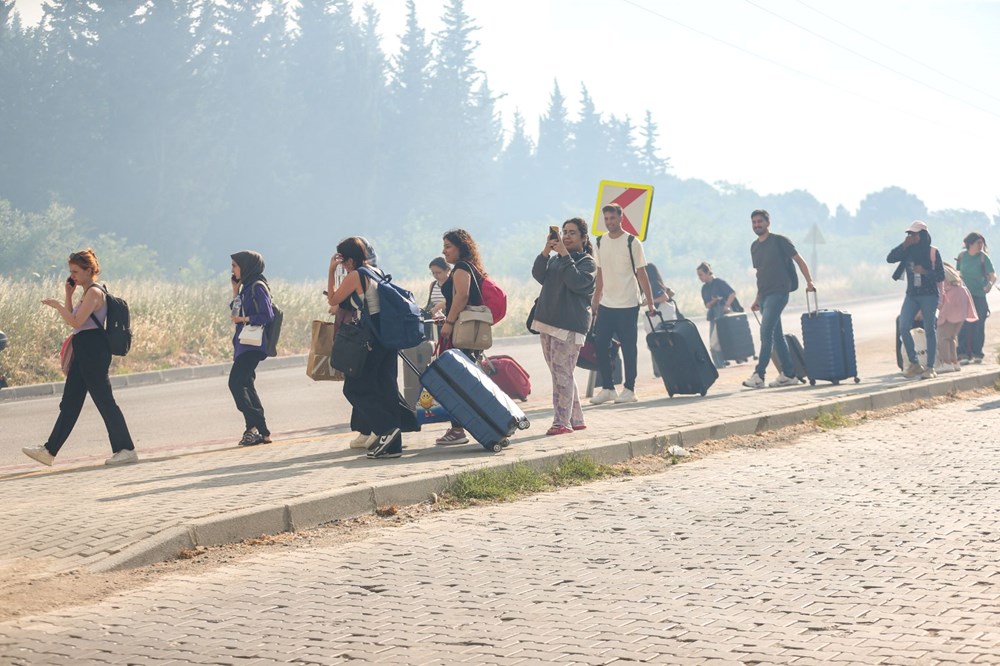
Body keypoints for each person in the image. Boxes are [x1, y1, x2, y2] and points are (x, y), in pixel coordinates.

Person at [22, 249, 138, 466]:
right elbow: (72, 320)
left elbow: (76, 322)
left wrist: (57, 305)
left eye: (76, 271)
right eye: (71, 271)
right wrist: (68, 295)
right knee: (70, 403)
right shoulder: (85, 292)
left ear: (88, 270)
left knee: (104, 401)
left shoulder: (94, 292)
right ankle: (49, 451)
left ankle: (126, 449)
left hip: (93, 349)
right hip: (84, 348)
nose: (72, 275)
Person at [326, 237, 418, 459]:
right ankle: (393, 445)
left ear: (348, 259)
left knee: (354, 388)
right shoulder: (375, 270)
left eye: (341, 259)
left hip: (372, 337)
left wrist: (331, 271)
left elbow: (333, 300)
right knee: (385, 387)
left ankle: (387, 429)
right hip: (387, 336)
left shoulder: (356, 274)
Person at [531, 218, 597, 435]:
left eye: (572, 233)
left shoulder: (587, 263)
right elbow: (539, 275)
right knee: (560, 373)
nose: (567, 237)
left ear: (583, 238)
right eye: (564, 232)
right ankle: (576, 418)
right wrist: (545, 251)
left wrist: (564, 255)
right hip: (547, 322)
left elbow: (576, 282)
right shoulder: (556, 260)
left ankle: (562, 422)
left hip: (568, 326)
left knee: (562, 374)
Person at [590, 203, 656, 405]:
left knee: (629, 347)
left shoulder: (632, 242)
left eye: (613, 218)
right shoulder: (600, 242)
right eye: (606, 219)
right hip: (607, 304)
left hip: (628, 303)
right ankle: (608, 388)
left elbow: (641, 273)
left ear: (621, 218)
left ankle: (629, 389)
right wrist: (596, 297)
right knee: (600, 344)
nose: (609, 222)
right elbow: (600, 272)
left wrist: (650, 302)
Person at [743, 209, 815, 388]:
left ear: (768, 222)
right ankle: (789, 375)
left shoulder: (780, 241)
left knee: (765, 332)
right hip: (765, 296)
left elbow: (799, 260)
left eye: (760, 221)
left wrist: (809, 281)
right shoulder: (754, 246)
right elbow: (761, 274)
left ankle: (759, 375)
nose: (757, 225)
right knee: (775, 335)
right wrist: (757, 298)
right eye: (754, 222)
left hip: (780, 293)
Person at [436, 229, 490, 445]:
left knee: (454, 380)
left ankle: (457, 429)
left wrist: (448, 322)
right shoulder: (470, 266)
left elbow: (463, 295)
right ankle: (464, 426)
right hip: (464, 329)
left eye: (448, 246)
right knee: (463, 378)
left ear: (461, 247)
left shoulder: (461, 267)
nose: (444, 250)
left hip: (459, 331)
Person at [887, 220, 945, 379]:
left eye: (914, 234)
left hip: (929, 295)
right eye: (909, 234)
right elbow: (890, 258)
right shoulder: (908, 250)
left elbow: (941, 275)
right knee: (904, 326)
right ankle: (914, 363)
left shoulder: (933, 252)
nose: (911, 236)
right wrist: (904, 245)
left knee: (929, 330)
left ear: (923, 235)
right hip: (912, 295)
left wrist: (925, 271)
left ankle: (930, 367)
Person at [229, 251, 276, 446]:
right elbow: (235, 313)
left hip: (253, 345)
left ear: (246, 266)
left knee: (235, 383)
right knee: (246, 384)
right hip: (244, 344)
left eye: (235, 265)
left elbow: (267, 315)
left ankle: (259, 426)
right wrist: (235, 291)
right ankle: (256, 431)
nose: (232, 269)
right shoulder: (246, 287)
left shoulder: (257, 286)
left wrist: (244, 319)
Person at [955, 232, 995, 364]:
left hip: (979, 295)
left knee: (978, 325)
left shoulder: (983, 258)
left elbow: (992, 275)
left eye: (982, 243)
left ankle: (977, 353)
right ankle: (963, 354)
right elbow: (958, 275)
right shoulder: (962, 257)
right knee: (963, 324)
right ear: (970, 243)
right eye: (978, 243)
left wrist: (989, 285)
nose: (981, 245)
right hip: (964, 295)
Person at [936, 263, 978, 373]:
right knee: (952, 336)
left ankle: (946, 363)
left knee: (943, 336)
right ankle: (954, 362)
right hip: (962, 300)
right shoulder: (950, 269)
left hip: (951, 301)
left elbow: (939, 291)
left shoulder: (937, 270)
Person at [697, 262, 740, 369]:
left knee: (720, 340)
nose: (699, 278)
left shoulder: (719, 283)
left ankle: (724, 363)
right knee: (713, 341)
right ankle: (719, 365)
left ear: (708, 273)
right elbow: (707, 305)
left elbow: (732, 294)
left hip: (723, 313)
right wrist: (713, 302)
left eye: (701, 275)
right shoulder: (704, 288)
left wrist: (726, 305)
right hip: (713, 314)